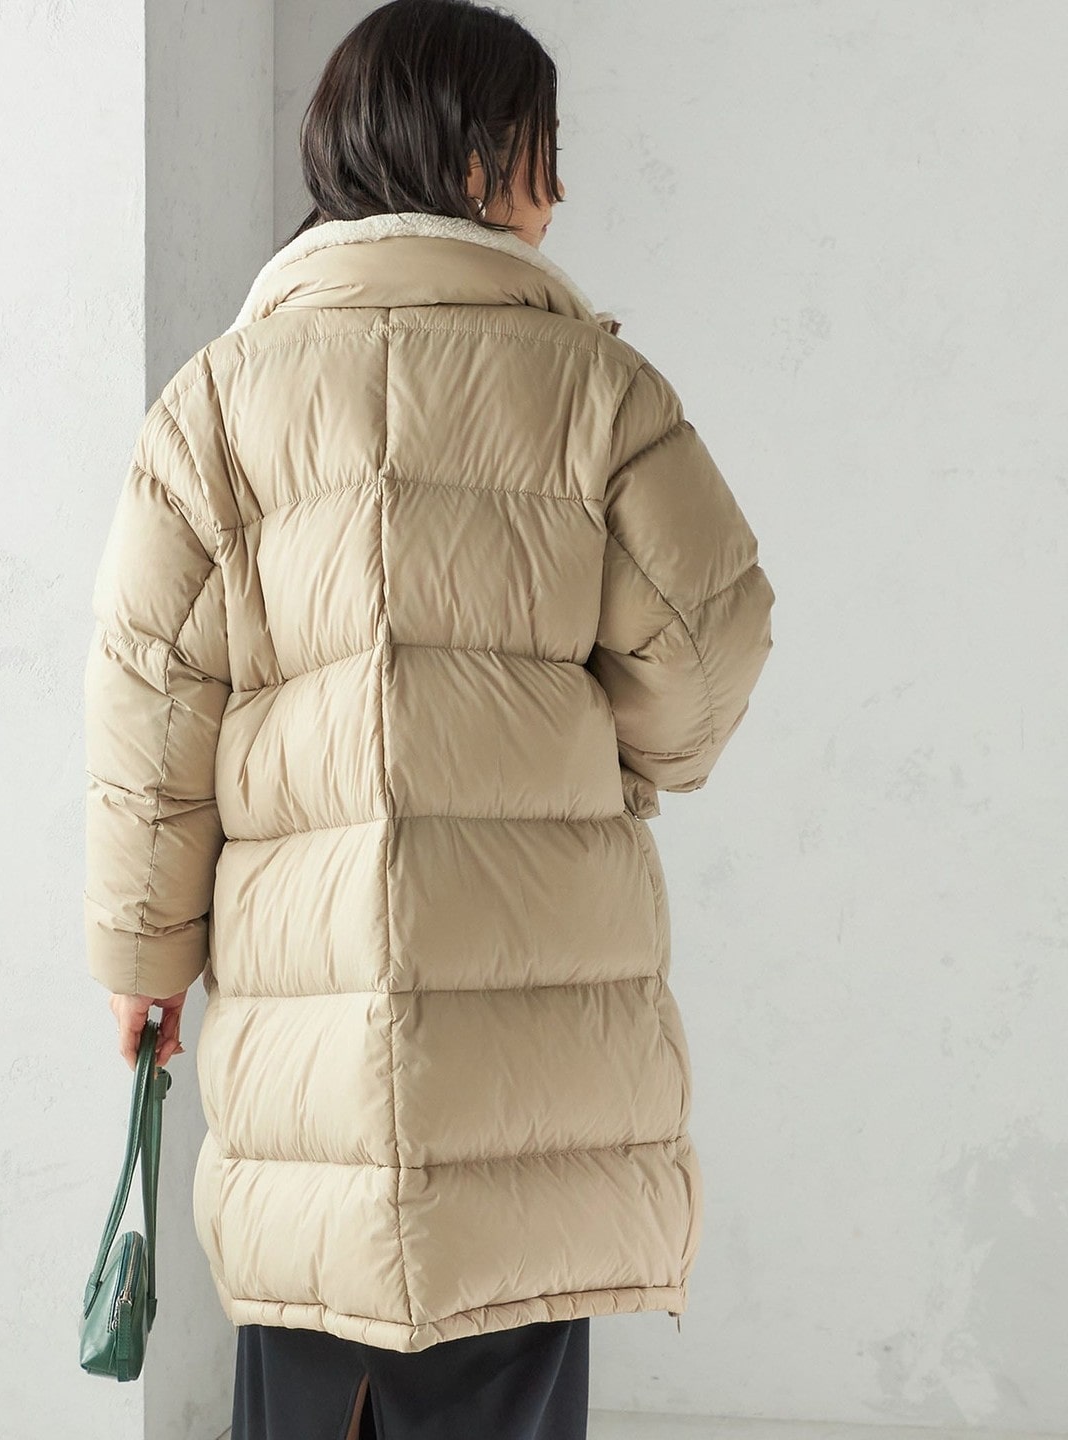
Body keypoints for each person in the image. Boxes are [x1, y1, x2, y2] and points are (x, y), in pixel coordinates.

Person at [82, 0, 775, 1434]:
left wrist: (143, 956)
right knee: (509, 1331)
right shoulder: (596, 389)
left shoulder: (216, 404)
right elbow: (708, 662)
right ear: (473, 160)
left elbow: (150, 717)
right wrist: (607, 747)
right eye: (544, 151)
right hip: (532, 1041)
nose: (559, 193)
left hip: (311, 1047)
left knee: (313, 1336)